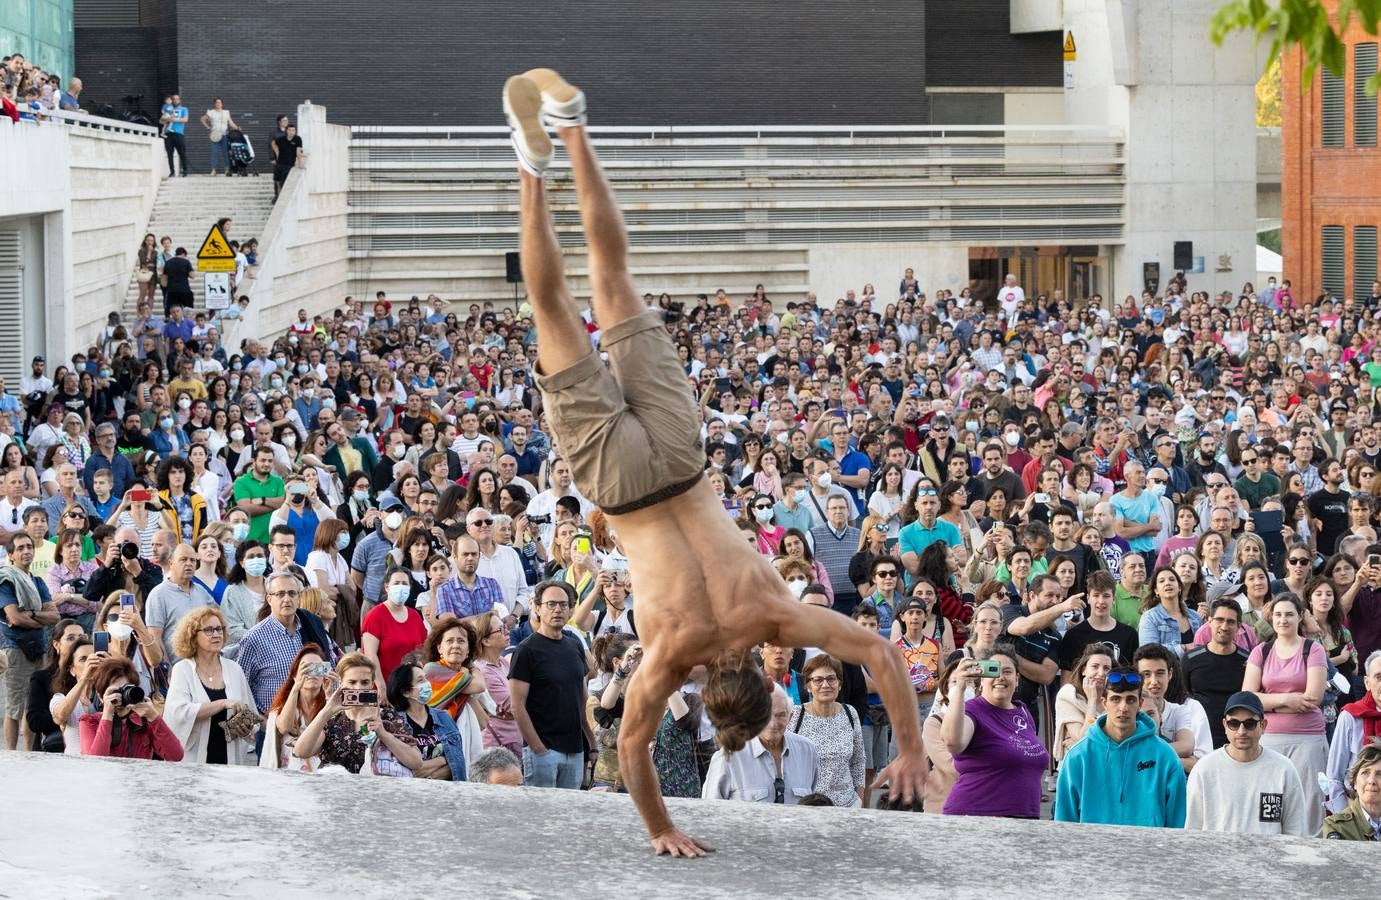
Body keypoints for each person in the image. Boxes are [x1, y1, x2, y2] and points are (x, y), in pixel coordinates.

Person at [504, 68, 925, 854]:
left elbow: (877, 651)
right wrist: (659, 829)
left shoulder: (772, 614)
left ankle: (572, 128)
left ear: (766, 675)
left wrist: (908, 748)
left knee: (612, 277)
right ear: (705, 690)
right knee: (554, 306)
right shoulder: (669, 656)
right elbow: (629, 746)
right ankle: (533, 167)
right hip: (624, 489)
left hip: (680, 459)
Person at [1055, 668, 1187, 827]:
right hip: (1092, 851)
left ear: (1140, 703)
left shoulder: (1165, 756)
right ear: (1104, 703)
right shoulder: (1078, 757)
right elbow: (1064, 823)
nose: (1123, 707)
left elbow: (1178, 824)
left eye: (1130, 699)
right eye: (1116, 699)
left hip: (1150, 850)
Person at [1243, 594, 1330, 836]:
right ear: (1271, 617)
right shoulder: (1261, 651)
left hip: (1307, 738)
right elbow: (1248, 697)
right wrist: (1287, 699)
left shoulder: (1313, 650)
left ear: (1300, 616)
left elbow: (1313, 698)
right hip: (1269, 737)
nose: (1283, 620)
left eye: (1289, 614)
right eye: (1278, 614)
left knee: (1310, 799)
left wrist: (1267, 701)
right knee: (1269, 800)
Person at [940, 647, 1048, 818]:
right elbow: (953, 743)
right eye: (993, 671)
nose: (1000, 677)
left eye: (1007, 671)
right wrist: (959, 689)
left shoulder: (1023, 712)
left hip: (1023, 820)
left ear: (1017, 679)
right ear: (981, 680)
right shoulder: (972, 710)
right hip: (977, 818)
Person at [1185, 691, 1310, 835]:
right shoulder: (1204, 770)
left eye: (1249, 723)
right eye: (1234, 723)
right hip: (1218, 856)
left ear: (1263, 725)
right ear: (1225, 725)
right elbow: (1193, 829)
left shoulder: (1284, 769)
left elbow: (1296, 830)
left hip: (1270, 856)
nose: (1241, 731)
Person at [508, 580, 594, 788]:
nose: (558, 610)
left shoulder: (574, 645)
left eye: (563, 605)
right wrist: (538, 748)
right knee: (539, 816)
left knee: (568, 816)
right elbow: (517, 706)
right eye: (551, 604)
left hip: (574, 750)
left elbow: (581, 699)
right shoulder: (526, 650)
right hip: (543, 751)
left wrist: (591, 743)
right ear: (537, 608)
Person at [292, 651, 422, 775]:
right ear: (341, 683)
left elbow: (416, 762)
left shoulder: (387, 715)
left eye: (364, 682)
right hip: (334, 792)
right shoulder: (331, 718)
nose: (358, 688)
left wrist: (383, 733)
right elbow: (300, 751)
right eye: (352, 682)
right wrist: (327, 709)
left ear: (372, 684)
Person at [163, 605, 256, 765]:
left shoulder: (234, 669)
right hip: (193, 759)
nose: (216, 634)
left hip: (229, 758)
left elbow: (249, 712)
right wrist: (222, 703)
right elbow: (178, 712)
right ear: (192, 635)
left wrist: (246, 728)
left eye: (219, 629)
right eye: (209, 630)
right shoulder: (182, 669)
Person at [702, 684, 820, 804]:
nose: (773, 724)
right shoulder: (728, 757)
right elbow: (708, 812)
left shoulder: (807, 751)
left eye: (780, 715)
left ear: (790, 716)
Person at [0, 531, 59, 750]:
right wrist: (36, 617)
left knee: (32, 706)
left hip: (39, 648)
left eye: (29, 547)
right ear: (11, 555)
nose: (26, 551)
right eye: (21, 548)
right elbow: (14, 617)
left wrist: (31, 615)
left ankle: (29, 755)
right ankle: (12, 755)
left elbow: (55, 617)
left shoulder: (37, 581)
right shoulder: (6, 580)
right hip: (15, 649)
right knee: (15, 708)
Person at [786, 654, 865, 807]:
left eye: (831, 679)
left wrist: (860, 800)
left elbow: (858, 760)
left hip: (847, 806)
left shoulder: (850, 713)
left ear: (840, 684)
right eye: (818, 680)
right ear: (808, 685)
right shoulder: (796, 715)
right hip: (808, 805)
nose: (825, 685)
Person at [77, 655, 184, 761]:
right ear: (100, 696)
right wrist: (107, 716)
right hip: (106, 778)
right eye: (115, 691)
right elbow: (94, 763)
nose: (121, 695)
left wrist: (154, 717)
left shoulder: (143, 722)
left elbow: (176, 756)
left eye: (126, 689)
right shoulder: (89, 722)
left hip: (139, 778)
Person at [1184, 598, 1253, 748]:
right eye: (1219, 620)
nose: (1224, 626)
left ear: (1239, 626)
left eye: (1230, 622)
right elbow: (1183, 698)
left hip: (1237, 738)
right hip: (1198, 738)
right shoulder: (1191, 659)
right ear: (1209, 621)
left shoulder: (1248, 662)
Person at [388, 661, 468, 780]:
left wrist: (431, 773)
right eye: (421, 680)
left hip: (448, 792)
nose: (428, 684)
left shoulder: (444, 717)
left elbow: (458, 763)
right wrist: (443, 760)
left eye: (426, 679)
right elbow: (408, 771)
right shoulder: (395, 723)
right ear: (406, 692)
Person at [259, 643, 330, 772]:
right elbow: (283, 727)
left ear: (325, 673)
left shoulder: (329, 705)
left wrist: (330, 696)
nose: (311, 673)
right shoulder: (286, 706)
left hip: (322, 779)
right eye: (305, 668)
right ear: (295, 674)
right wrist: (296, 687)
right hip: (289, 777)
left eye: (317, 668)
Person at [1325, 651, 1381, 813]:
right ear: (1367, 682)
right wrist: (1346, 818)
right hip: (1356, 808)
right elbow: (1334, 777)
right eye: (1379, 677)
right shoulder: (1350, 716)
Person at [144, 544, 214, 660]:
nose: (189, 563)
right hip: (177, 668)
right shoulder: (158, 595)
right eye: (183, 559)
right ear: (171, 563)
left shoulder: (202, 592)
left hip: (204, 666)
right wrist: (168, 669)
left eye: (192, 560)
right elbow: (155, 637)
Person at [361, 568, 428, 683]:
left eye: (404, 583)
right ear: (387, 587)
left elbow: (423, 650)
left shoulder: (415, 616)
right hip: (385, 686)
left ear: (410, 587)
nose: (401, 587)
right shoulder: (375, 616)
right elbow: (370, 655)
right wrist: (381, 687)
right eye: (396, 583)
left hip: (411, 686)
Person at [1323, 743, 1381, 840]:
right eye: (1365, 773)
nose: (1371, 781)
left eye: (1379, 774)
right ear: (1354, 782)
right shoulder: (1337, 827)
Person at [272, 122, 303, 200]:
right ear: (286, 131)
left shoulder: (297, 139)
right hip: (279, 164)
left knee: (284, 183)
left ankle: (284, 198)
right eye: (290, 130)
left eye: (293, 130)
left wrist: (300, 164)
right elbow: (273, 143)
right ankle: (278, 198)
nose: (292, 132)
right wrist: (277, 153)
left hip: (288, 165)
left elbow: (298, 152)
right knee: (277, 182)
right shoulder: (281, 139)